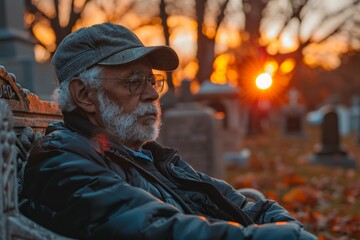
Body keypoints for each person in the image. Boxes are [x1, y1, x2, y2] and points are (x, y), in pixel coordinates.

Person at [20, 22, 316, 240]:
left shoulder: (149, 157)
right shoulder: (62, 162)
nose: (152, 94)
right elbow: (160, 231)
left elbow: (244, 205)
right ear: (85, 95)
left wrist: (291, 230)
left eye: (152, 80)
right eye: (134, 82)